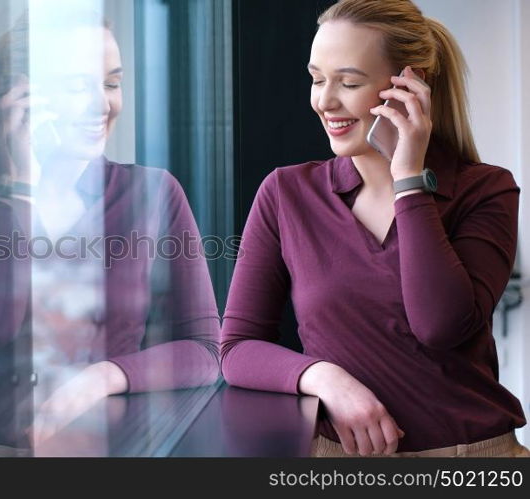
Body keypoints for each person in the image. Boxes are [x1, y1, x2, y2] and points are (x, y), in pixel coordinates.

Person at [220, 0, 529, 457]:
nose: (324, 101)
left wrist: (409, 180)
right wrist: (325, 378)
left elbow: (440, 326)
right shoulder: (287, 193)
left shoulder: (485, 189)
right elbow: (237, 348)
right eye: (317, 78)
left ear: (410, 84)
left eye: (348, 82)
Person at [0, 8, 219, 453]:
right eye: (79, 85)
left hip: (109, 447)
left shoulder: (152, 192)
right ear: (20, 95)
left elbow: (206, 351)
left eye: (112, 83)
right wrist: (20, 188)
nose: (103, 105)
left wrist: (104, 377)